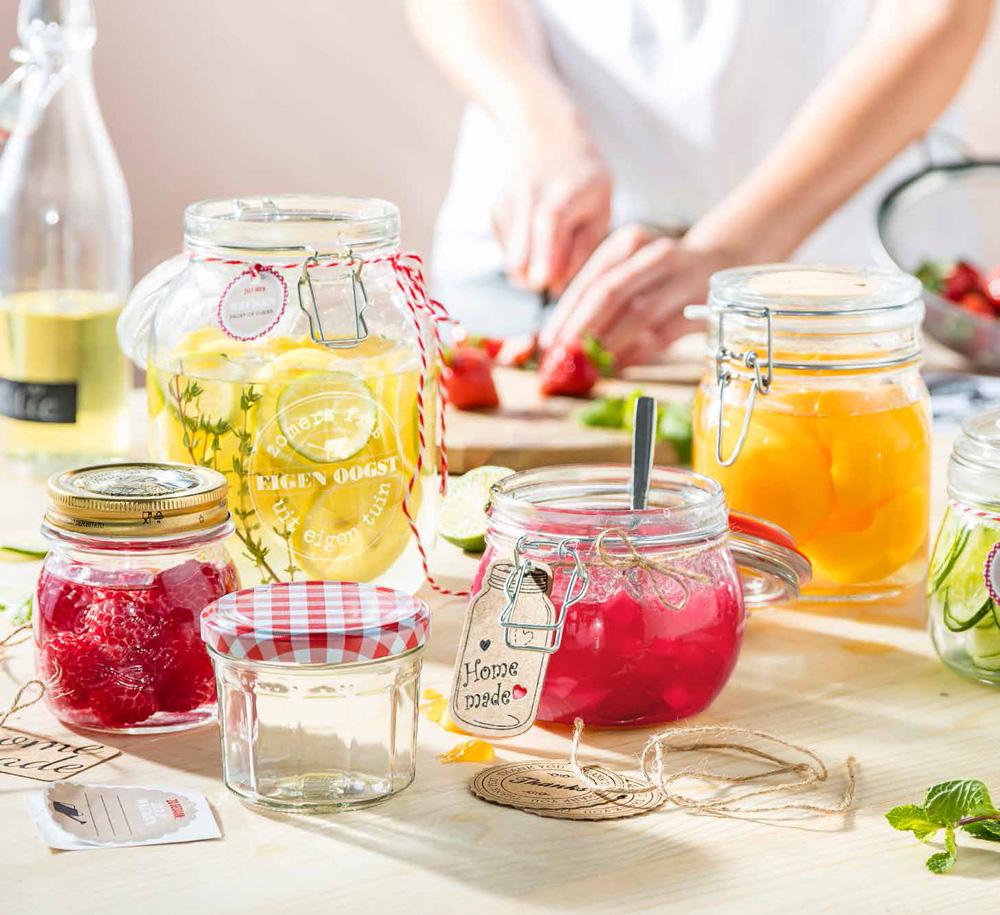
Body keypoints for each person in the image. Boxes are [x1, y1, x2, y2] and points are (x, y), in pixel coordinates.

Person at [408, 0, 992, 366]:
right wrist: (540, 127)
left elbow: (939, 14)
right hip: (530, 270)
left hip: (847, 302)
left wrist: (734, 248)